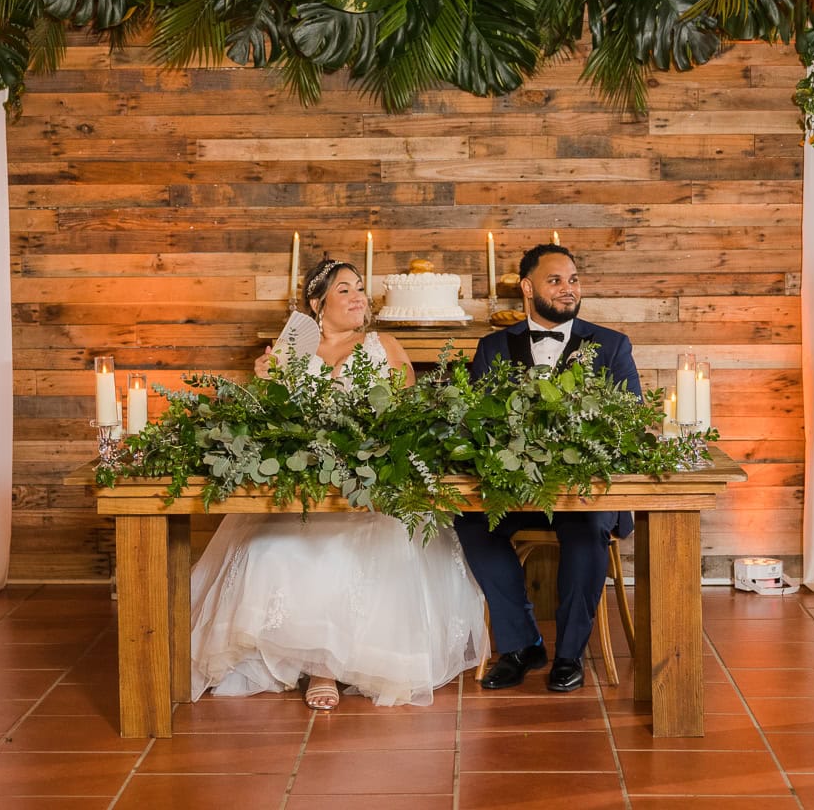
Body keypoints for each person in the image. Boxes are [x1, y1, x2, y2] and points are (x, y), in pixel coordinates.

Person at [185, 258, 488, 710]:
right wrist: (267, 381)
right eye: (345, 289)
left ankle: (324, 669)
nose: (358, 297)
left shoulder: (383, 345)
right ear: (316, 303)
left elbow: (404, 416)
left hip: (370, 488)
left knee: (354, 551)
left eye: (361, 288)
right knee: (266, 551)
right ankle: (301, 659)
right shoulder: (290, 348)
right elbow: (269, 426)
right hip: (305, 488)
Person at [455, 243, 642, 693]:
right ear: (527, 287)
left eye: (573, 279)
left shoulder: (611, 344)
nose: (567, 289)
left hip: (583, 493)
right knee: (469, 520)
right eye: (555, 280)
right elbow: (477, 421)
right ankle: (521, 645)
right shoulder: (494, 346)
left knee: (587, 526)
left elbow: (632, 420)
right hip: (516, 492)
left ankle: (569, 653)